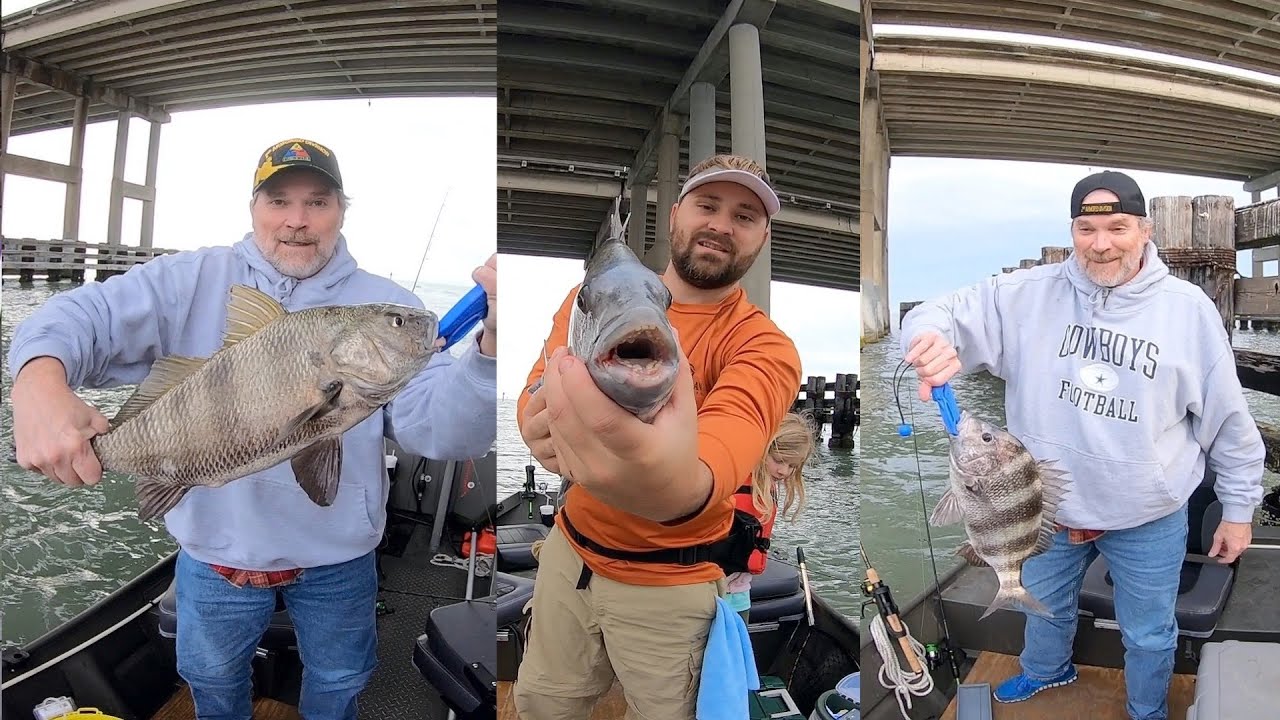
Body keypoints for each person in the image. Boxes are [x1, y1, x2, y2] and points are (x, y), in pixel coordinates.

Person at [7, 138, 499, 720]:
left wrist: (489, 349)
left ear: (342, 209)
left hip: (338, 558)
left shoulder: (387, 302)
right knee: (210, 679)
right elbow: (77, 316)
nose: (297, 220)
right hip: (215, 554)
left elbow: (446, 433)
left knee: (341, 678)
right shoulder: (190, 278)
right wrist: (38, 384)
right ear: (253, 207)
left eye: (318, 202)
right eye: (278, 201)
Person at [900, 170, 1264, 720]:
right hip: (1044, 509)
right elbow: (938, 313)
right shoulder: (1021, 296)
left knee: (1148, 633)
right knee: (1041, 611)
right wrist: (926, 342)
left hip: (1148, 514)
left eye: (1117, 227)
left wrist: (1238, 510)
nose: (1101, 244)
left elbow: (1229, 422)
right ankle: (1048, 671)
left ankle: (1146, 709)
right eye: (1086, 228)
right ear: (1071, 230)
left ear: (1145, 229)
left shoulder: (1188, 310)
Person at [513, 154, 803, 719]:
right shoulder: (583, 301)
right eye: (707, 205)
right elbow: (537, 386)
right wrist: (534, 425)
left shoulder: (765, 348)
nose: (721, 223)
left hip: (672, 588)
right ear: (675, 216)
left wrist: (671, 484)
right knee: (542, 702)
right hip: (567, 561)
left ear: (763, 238)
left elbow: (716, 461)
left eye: (745, 216)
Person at [724, 411, 813, 624]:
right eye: (779, 461)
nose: (784, 471)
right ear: (764, 449)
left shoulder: (767, 488)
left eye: (792, 466)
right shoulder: (731, 480)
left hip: (740, 592)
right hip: (711, 589)